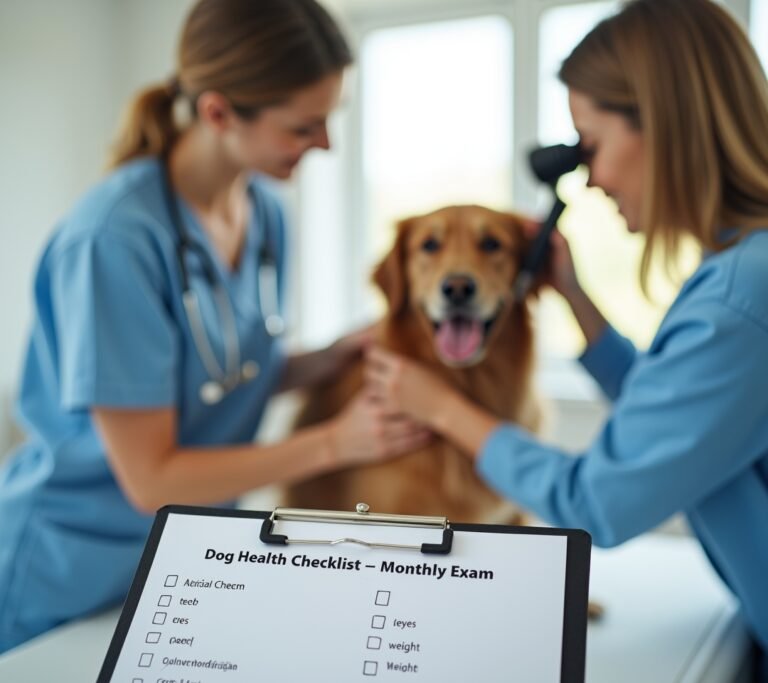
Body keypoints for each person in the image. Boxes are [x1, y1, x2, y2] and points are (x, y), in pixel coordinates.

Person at [0, 0, 429, 653]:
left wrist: (326, 359)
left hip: (182, 565)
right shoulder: (113, 240)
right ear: (219, 112)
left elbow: (219, 376)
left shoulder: (264, 212)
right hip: (63, 574)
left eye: (330, 119)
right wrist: (335, 443)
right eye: (304, 126)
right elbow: (152, 478)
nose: (326, 144)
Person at [366, 0, 768, 677]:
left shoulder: (740, 298)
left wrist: (441, 407)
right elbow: (688, 412)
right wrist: (578, 300)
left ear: (664, 125)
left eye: (592, 144)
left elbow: (597, 500)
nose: (590, 178)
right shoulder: (742, 272)